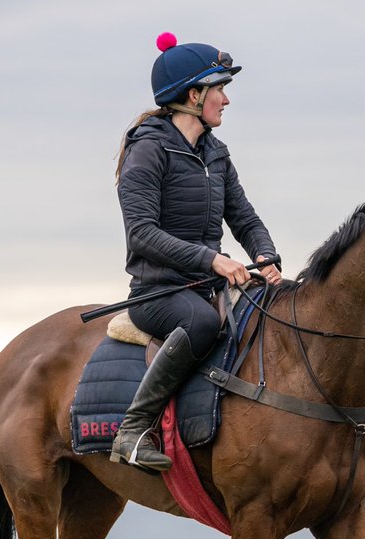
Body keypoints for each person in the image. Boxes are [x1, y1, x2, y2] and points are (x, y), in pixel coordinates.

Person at [110, 33, 283, 472]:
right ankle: (133, 430)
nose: (226, 99)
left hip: (207, 285)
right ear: (194, 95)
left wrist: (266, 256)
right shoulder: (147, 150)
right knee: (202, 322)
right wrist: (212, 260)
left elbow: (244, 218)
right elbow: (142, 234)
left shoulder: (216, 153)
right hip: (158, 293)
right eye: (220, 89)